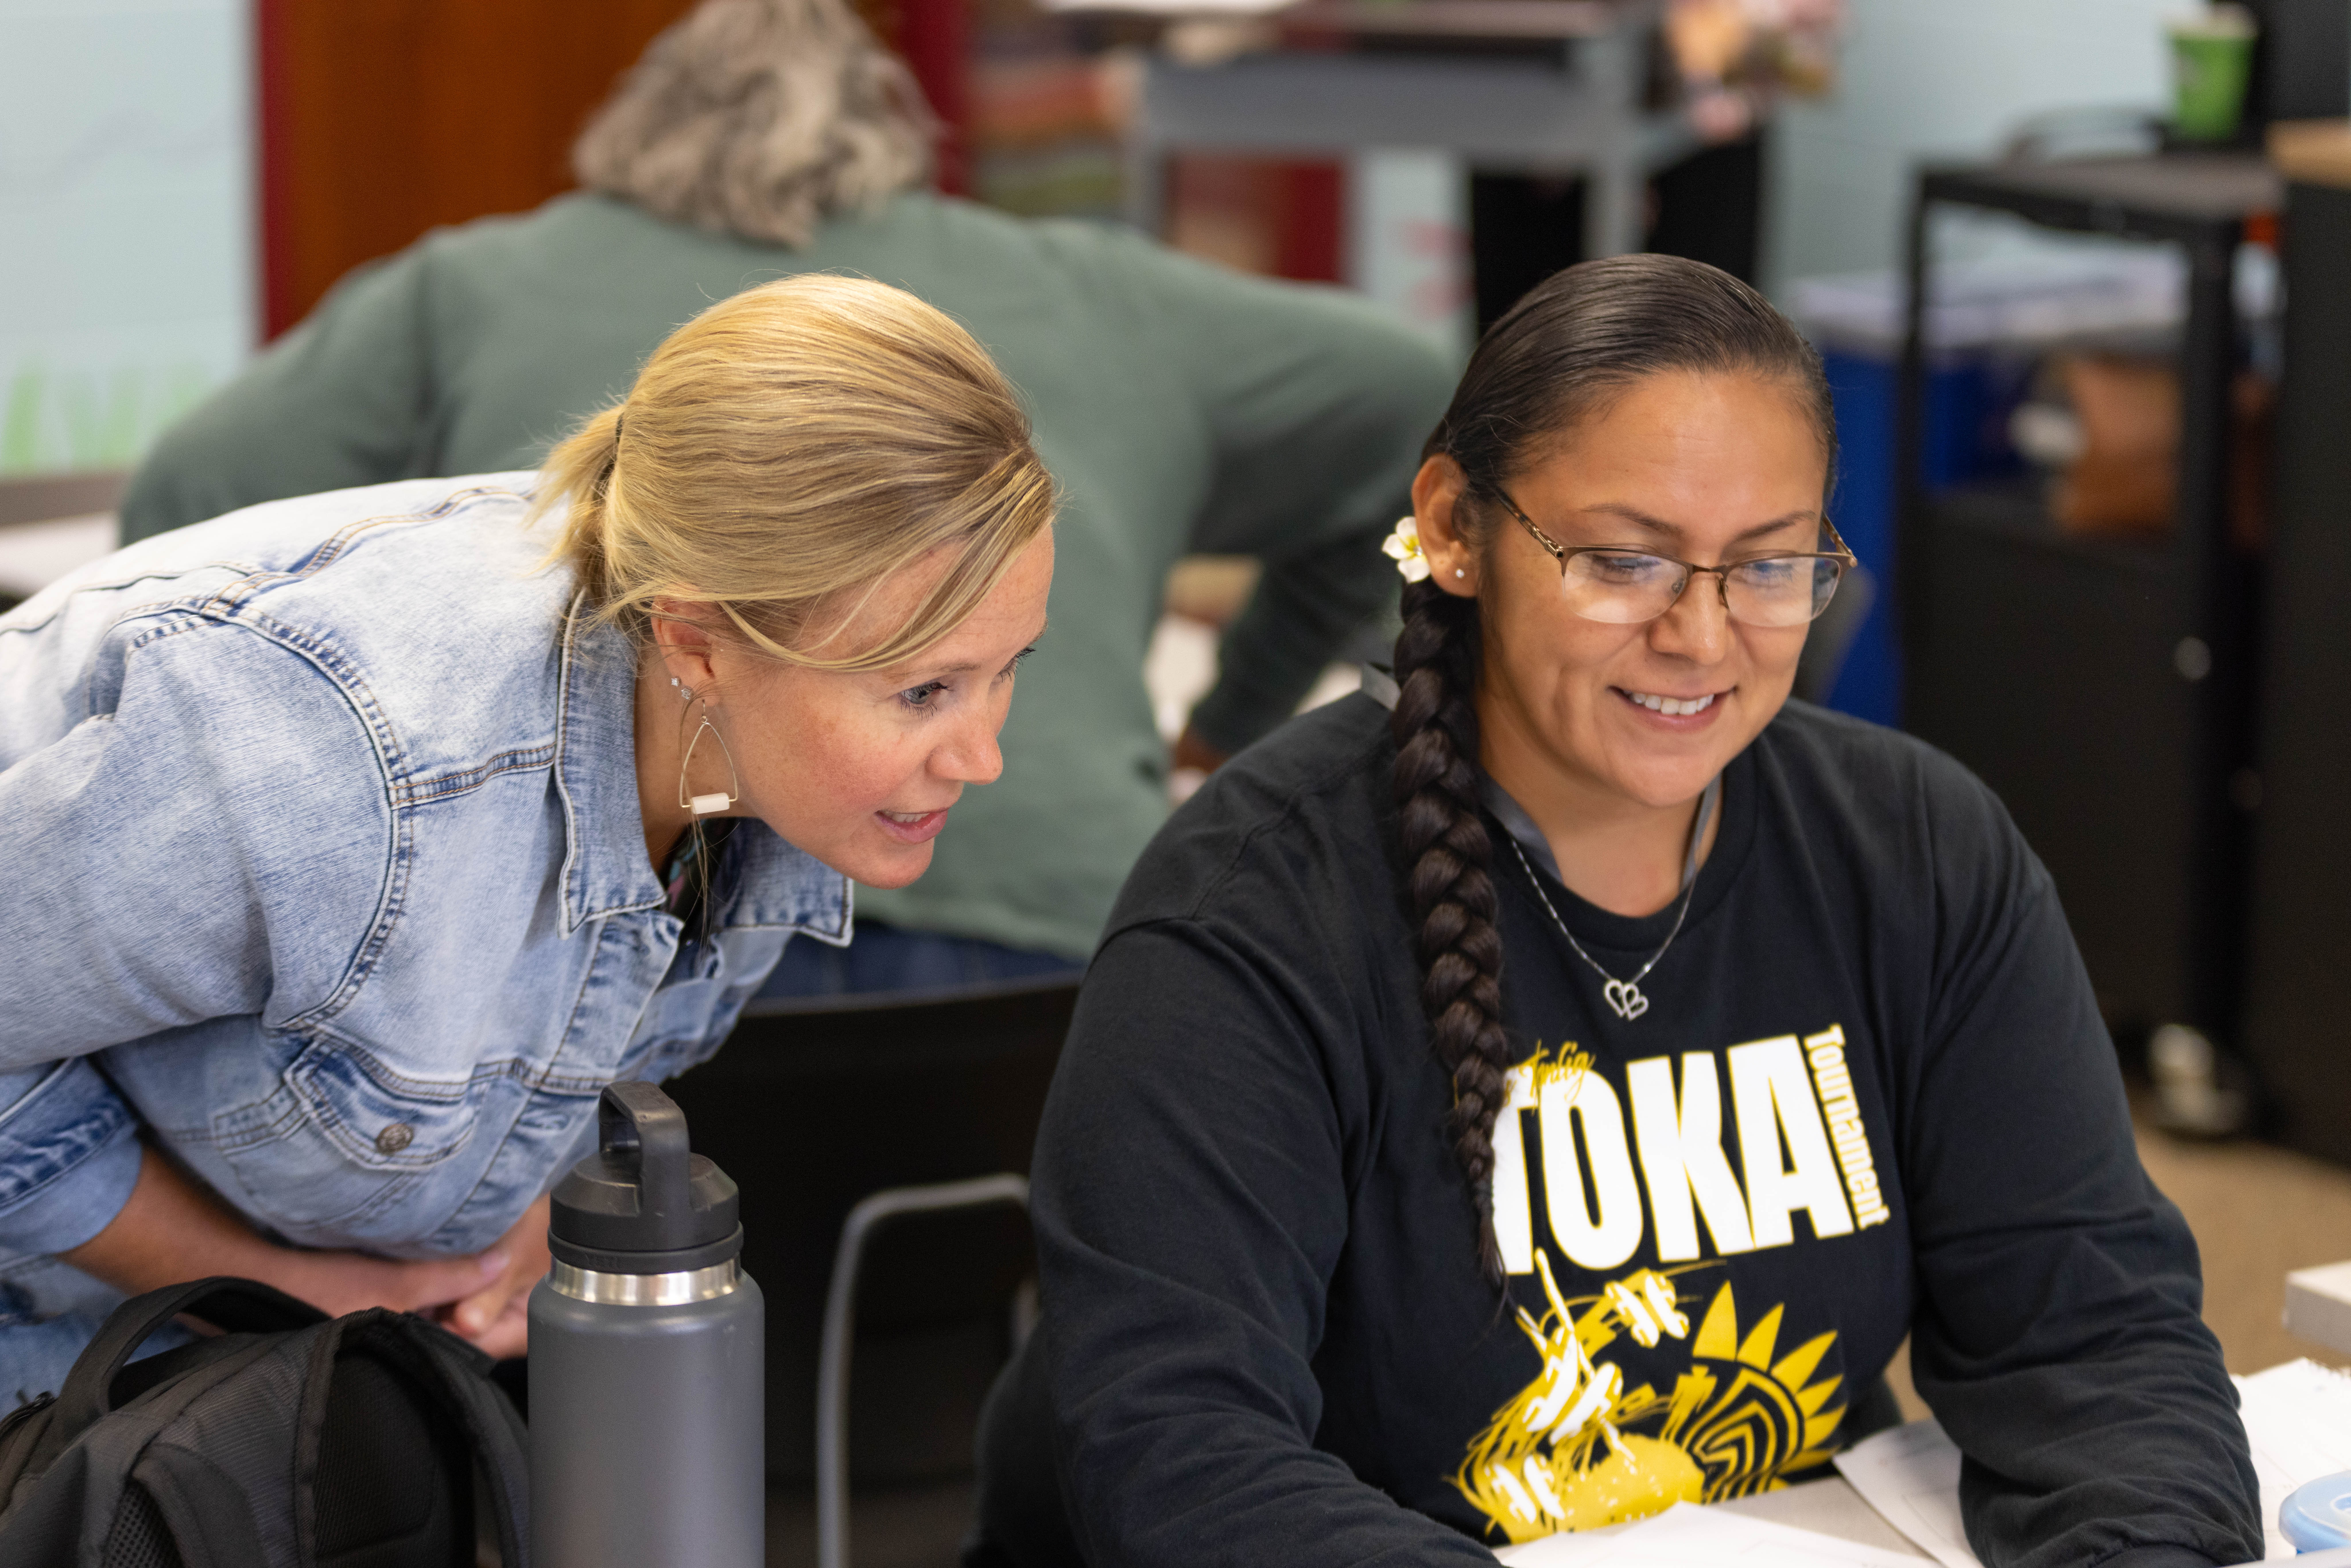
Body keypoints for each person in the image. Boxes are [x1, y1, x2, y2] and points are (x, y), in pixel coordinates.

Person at [968, 256, 2262, 1568]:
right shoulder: (1248, 913)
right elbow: (1180, 1451)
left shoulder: (1917, 851)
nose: (1700, 636)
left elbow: (2093, 1335)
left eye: (1767, 565)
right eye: (1624, 560)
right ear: (1454, 529)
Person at [117, 0, 1456, 996]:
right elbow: (1431, 419)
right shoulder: (1097, 288)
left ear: (631, 140)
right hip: (1054, 949)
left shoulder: (472, 284)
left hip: (613, 937)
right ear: (895, 143)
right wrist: (1226, 724)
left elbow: (195, 493)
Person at [0, 275, 1055, 1398]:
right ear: (697, 644)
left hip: (253, 1383)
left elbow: (567, 1040)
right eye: (924, 691)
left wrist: (521, 1213)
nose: (981, 756)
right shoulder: (337, 766)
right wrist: (265, 1289)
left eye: (1006, 671)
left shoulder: (751, 772)